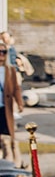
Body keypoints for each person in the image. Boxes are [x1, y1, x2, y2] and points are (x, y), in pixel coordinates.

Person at [0, 37, 23, 166]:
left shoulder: (10, 70)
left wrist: (20, 102)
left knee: (7, 137)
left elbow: (16, 87)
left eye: (4, 52)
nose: (2, 55)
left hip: (5, 107)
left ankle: (9, 164)